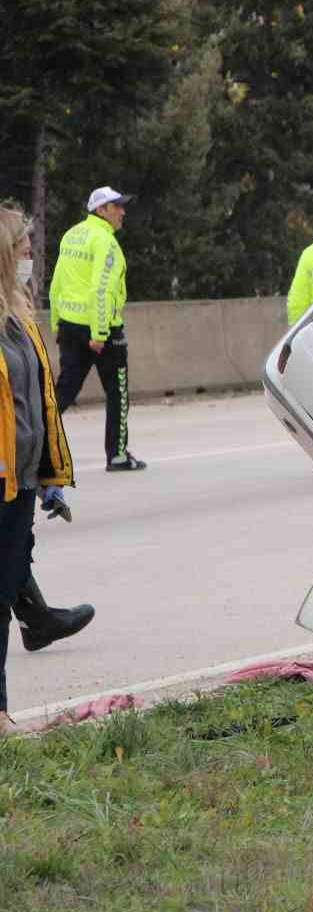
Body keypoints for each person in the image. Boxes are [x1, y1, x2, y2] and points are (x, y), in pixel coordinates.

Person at [0, 208, 76, 734]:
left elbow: (40, 400)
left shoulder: (20, 316)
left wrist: (50, 475)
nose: (31, 254)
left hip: (21, 483)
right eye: (24, 246)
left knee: (3, 600)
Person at [50, 186, 143, 472]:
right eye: (117, 207)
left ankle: (29, 445)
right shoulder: (105, 241)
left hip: (69, 325)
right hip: (101, 331)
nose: (122, 212)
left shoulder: (71, 235)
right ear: (101, 210)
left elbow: (57, 283)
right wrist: (100, 334)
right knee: (118, 391)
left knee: (64, 389)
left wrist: (56, 323)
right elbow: (100, 289)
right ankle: (116, 455)